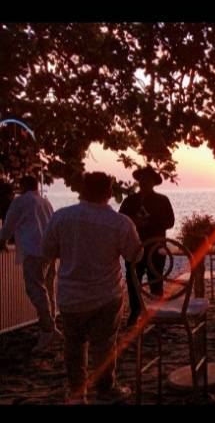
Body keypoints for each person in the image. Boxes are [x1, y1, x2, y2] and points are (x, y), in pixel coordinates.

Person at [41, 172, 141, 404]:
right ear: (109, 192)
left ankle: (78, 392)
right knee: (104, 345)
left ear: (83, 191)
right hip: (106, 294)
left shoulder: (61, 217)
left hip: (70, 295)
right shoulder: (120, 223)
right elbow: (134, 255)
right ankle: (105, 390)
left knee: (74, 346)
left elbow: (47, 250)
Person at [0, 175, 58, 352]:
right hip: (49, 250)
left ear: (23, 185)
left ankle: (47, 329)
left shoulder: (21, 202)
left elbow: (9, 224)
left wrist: (1, 240)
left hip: (33, 250)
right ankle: (51, 325)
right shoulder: (45, 202)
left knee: (35, 289)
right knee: (47, 289)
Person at [118, 166, 174, 326]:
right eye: (142, 179)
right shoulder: (130, 200)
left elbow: (170, 222)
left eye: (148, 180)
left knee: (156, 280)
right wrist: (135, 223)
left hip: (156, 247)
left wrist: (149, 223)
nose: (144, 182)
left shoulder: (163, 200)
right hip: (134, 247)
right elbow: (121, 220)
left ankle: (158, 313)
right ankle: (135, 311)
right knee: (132, 279)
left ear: (153, 182)